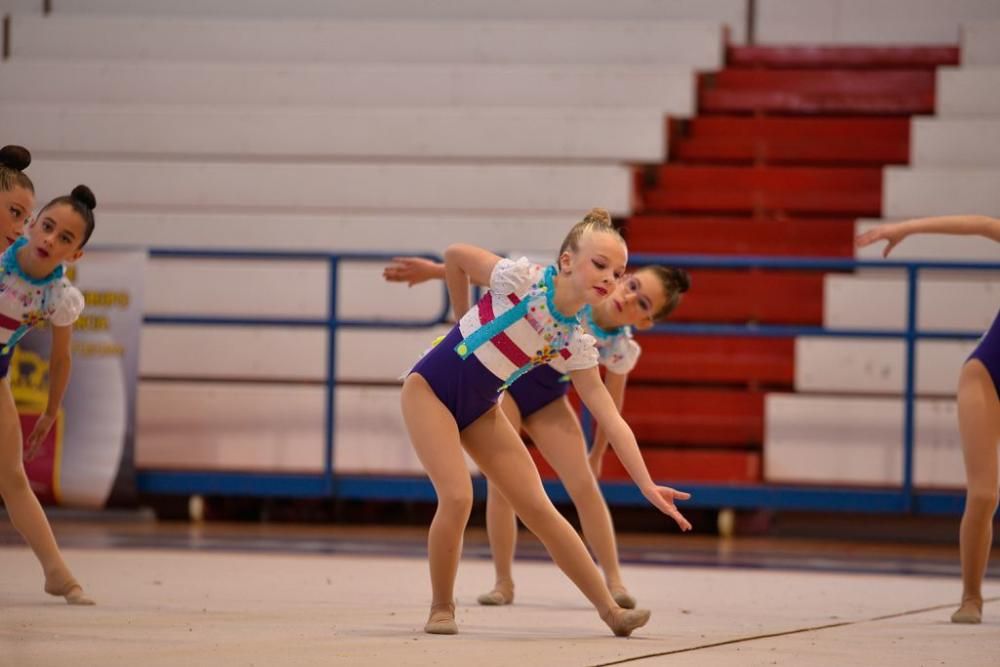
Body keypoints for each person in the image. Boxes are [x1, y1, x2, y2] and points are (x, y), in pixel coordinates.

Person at [398, 209, 691, 636]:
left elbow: (610, 416)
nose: (611, 278)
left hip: (482, 407)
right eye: (601, 265)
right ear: (568, 261)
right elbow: (456, 255)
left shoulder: (574, 340)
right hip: (428, 390)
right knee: (459, 497)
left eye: (619, 270)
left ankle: (612, 611)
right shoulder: (521, 279)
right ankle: (442, 606)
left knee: (541, 509)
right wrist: (460, 317)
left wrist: (645, 483)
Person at [857, 215, 1000, 624]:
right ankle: (971, 596)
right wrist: (908, 228)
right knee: (985, 494)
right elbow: (977, 224)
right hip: (988, 376)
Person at [0, 162, 97, 606]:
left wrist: (50, 412)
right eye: (46, 227)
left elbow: (61, 359)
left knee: (13, 478)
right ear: (32, 223)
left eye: (64, 239)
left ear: (74, 254)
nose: (49, 240)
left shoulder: (60, 298)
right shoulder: (2, 250)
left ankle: (57, 573)